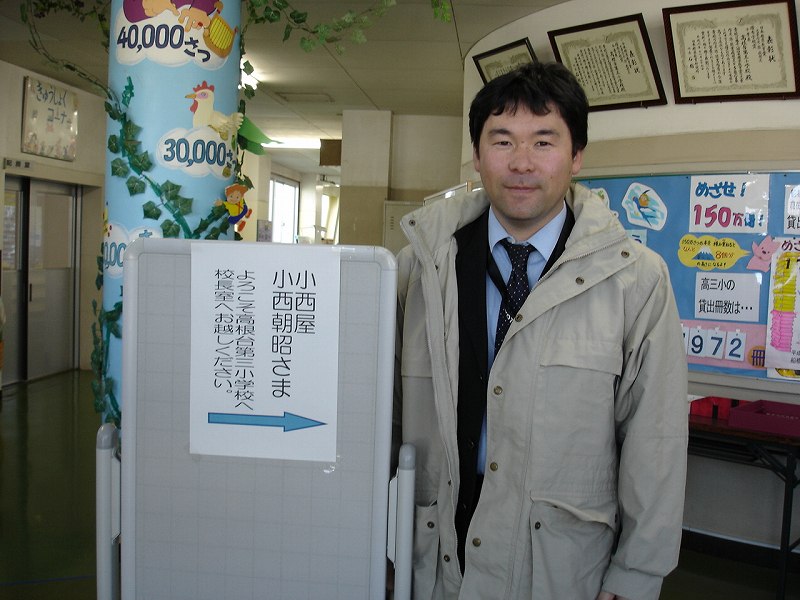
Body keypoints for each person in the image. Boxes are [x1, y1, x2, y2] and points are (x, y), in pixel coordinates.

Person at [393, 61, 688, 599]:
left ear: (576, 157)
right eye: (502, 141)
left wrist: (637, 573)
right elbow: (379, 417)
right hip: (433, 557)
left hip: (559, 565)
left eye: (544, 142)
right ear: (478, 155)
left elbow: (656, 439)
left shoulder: (635, 280)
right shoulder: (419, 269)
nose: (522, 163)